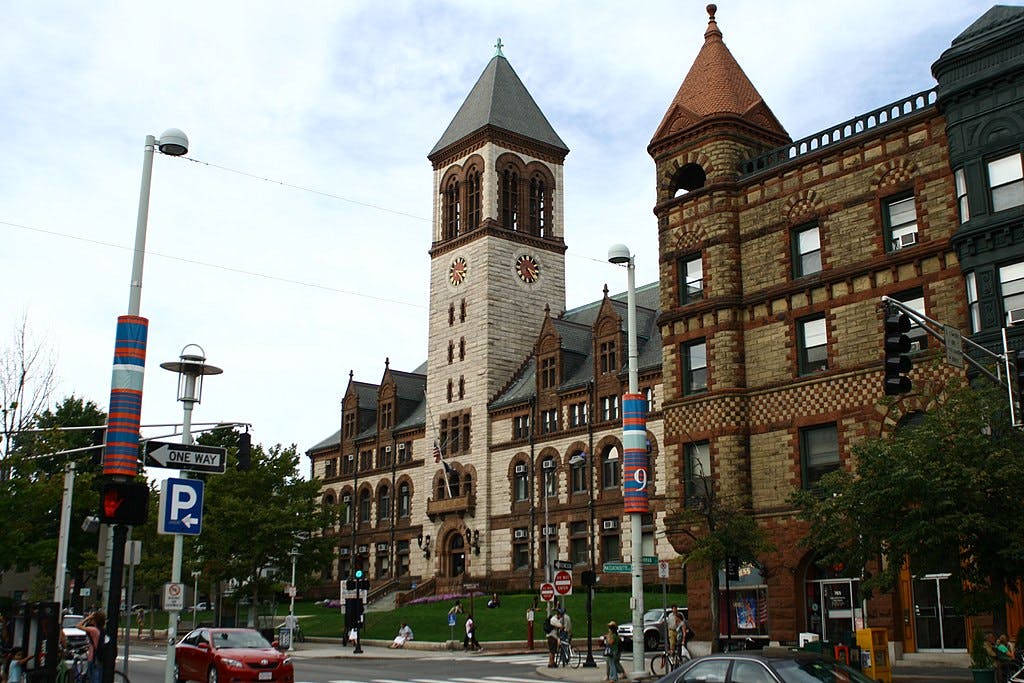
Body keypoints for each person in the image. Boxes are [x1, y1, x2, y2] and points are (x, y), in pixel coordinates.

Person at [78, 610, 106, 683]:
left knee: (93, 677)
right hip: (100, 656)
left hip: (93, 656)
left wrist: (87, 618)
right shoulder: (102, 630)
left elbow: (78, 626)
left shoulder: (94, 630)